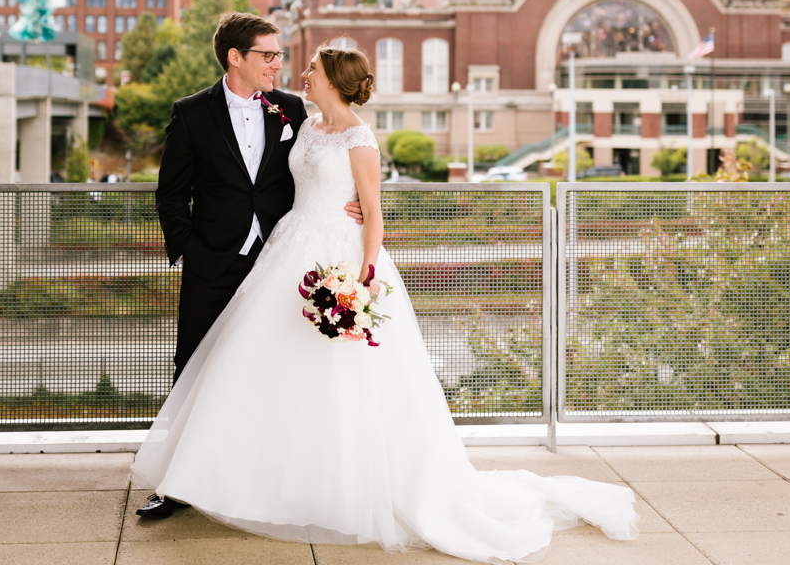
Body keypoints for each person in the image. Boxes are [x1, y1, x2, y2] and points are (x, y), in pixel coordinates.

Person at [132, 42, 639, 562]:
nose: (300, 72)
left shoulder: (360, 136)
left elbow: (373, 211)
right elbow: (278, 182)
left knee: (344, 376)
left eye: (312, 67)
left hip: (341, 255)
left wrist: (365, 275)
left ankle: (340, 488)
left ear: (332, 78)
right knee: (266, 364)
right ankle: (242, 476)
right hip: (289, 248)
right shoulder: (302, 123)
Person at [139, 13, 360, 519]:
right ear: (235, 57)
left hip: (283, 264)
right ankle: (175, 484)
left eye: (280, 55)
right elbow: (170, 195)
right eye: (268, 55)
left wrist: (362, 204)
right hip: (213, 263)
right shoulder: (192, 113)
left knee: (275, 369)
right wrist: (192, 253)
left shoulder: (292, 109)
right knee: (194, 367)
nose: (278, 64)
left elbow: (341, 152)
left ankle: (264, 477)